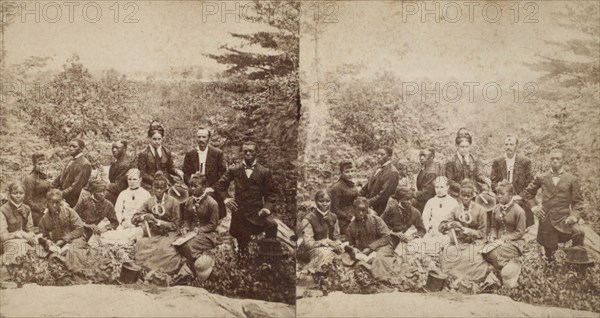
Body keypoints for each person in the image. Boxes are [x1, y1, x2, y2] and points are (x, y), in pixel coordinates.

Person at [518, 149, 585, 262]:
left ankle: (575, 262)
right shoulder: (542, 177)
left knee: (579, 233)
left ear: (563, 160)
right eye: (552, 159)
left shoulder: (572, 179)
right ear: (549, 161)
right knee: (549, 255)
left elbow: (578, 202)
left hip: (564, 219)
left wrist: (574, 216)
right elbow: (527, 193)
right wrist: (534, 207)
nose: (555, 161)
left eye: (558, 158)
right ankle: (549, 261)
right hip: (546, 219)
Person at [215, 141, 278, 255]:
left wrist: (267, 208)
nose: (248, 153)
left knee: (272, 225)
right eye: (245, 151)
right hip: (240, 213)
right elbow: (220, 185)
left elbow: (271, 194)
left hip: (257, 212)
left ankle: (268, 256)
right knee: (243, 245)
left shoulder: (264, 171)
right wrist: (227, 199)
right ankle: (242, 261)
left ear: (256, 153)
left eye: (251, 151)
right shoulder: (235, 169)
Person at [131, 173, 185, 275]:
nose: (159, 191)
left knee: (164, 250)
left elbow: (175, 225)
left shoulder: (173, 202)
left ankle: (161, 273)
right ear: (152, 188)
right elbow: (134, 218)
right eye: (156, 188)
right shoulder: (149, 201)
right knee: (141, 245)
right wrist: (143, 216)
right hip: (154, 234)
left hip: (170, 234)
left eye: (162, 188)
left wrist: (157, 221)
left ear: (166, 188)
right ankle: (145, 271)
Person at [438, 183, 489, 283]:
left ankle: (468, 281)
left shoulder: (481, 210)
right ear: (459, 196)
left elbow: (482, 232)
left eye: (468, 196)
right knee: (448, 253)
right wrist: (451, 224)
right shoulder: (456, 209)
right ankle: (450, 279)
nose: (465, 198)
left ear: (473, 196)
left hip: (476, 240)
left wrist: (467, 230)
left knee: (469, 257)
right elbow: (441, 227)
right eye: (463, 195)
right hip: (460, 241)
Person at [490, 135, 535, 228]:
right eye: (506, 144)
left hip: (519, 194)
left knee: (526, 204)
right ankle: (494, 228)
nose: (508, 147)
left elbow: (531, 183)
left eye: (511, 144)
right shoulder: (497, 161)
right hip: (502, 195)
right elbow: (493, 181)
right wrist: (500, 193)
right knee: (490, 203)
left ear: (516, 146)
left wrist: (520, 195)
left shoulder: (525, 161)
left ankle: (522, 228)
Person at [182, 128, 227, 219]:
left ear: (208, 138)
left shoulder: (217, 153)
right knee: (185, 201)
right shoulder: (190, 154)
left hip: (212, 187)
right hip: (194, 188)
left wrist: (213, 188)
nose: (201, 139)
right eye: (199, 137)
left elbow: (223, 175)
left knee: (212, 202)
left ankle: (213, 221)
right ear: (196, 139)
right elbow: (185, 173)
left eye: (204, 137)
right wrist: (191, 180)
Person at [346, 197, 395, 279]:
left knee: (379, 260)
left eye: (363, 210)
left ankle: (380, 278)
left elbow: (386, 237)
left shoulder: (376, 220)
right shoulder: (351, 226)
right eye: (358, 210)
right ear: (354, 210)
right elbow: (350, 243)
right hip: (364, 252)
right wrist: (353, 249)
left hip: (382, 247)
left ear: (367, 210)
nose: (361, 213)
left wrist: (371, 248)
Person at [178, 174, 221, 264]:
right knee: (176, 243)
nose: (192, 189)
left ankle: (201, 263)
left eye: (195, 186)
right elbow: (187, 219)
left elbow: (213, 225)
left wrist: (200, 229)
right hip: (191, 233)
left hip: (207, 234)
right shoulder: (189, 201)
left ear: (204, 187)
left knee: (188, 246)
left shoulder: (212, 203)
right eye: (191, 186)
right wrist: (186, 227)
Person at [298, 190, 343, 273]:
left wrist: (338, 243)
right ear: (315, 201)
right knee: (325, 253)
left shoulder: (333, 217)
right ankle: (310, 271)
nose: (325, 204)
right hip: (312, 249)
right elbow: (308, 243)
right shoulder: (308, 219)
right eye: (321, 201)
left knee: (345, 252)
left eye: (327, 201)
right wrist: (325, 243)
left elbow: (336, 236)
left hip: (330, 246)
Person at [485, 181, 525, 270]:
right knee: (484, 252)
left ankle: (506, 271)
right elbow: (494, 227)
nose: (499, 196)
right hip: (499, 241)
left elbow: (520, 232)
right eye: (498, 193)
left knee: (494, 253)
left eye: (502, 194)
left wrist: (508, 237)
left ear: (510, 195)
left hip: (515, 242)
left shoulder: (519, 211)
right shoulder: (495, 209)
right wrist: (493, 236)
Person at [380, 187, 426, 255]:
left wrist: (412, 236)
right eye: (406, 199)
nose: (409, 202)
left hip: (407, 242)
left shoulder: (416, 213)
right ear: (400, 199)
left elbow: (422, 230)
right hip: (391, 240)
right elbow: (380, 224)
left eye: (411, 199)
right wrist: (394, 233)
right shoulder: (391, 209)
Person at [0, 182, 37, 264]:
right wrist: (19, 234)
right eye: (15, 193)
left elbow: (30, 229)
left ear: (24, 194)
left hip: (25, 241)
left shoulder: (27, 209)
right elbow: (2, 236)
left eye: (21, 193)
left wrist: (31, 236)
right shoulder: (3, 210)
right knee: (20, 249)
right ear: (9, 194)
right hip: (8, 242)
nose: (18, 196)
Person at [445, 129, 490, 194]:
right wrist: (462, 189)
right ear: (457, 146)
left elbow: (477, 175)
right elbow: (450, 181)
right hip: (456, 192)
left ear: (470, 146)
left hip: (472, 191)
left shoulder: (473, 159)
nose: (465, 149)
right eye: (462, 147)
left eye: (467, 147)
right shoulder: (451, 161)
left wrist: (484, 179)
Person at [137, 121, 180, 189]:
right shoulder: (143, 154)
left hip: (166, 183)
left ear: (162, 139)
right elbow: (142, 173)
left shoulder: (166, 152)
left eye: (159, 139)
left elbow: (170, 168)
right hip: (149, 184)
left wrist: (176, 171)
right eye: (154, 139)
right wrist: (155, 181)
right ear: (149, 138)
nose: (157, 142)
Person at [52, 139, 92, 208]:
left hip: (73, 201)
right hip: (63, 195)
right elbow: (61, 177)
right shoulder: (71, 160)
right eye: (70, 146)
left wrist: (61, 194)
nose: (71, 148)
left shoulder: (85, 164)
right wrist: (51, 187)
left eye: (74, 146)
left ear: (81, 148)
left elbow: (76, 186)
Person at [359, 147, 400, 215]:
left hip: (380, 209)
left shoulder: (392, 172)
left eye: (382, 154)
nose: (378, 156)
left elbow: (384, 195)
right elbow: (367, 185)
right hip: (370, 203)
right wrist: (358, 195)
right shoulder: (378, 168)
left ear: (389, 156)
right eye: (377, 154)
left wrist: (368, 202)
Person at [328, 160, 359, 236]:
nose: (350, 174)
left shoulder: (351, 184)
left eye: (352, 171)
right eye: (347, 172)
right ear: (341, 173)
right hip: (343, 221)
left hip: (354, 216)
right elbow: (334, 209)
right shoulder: (337, 187)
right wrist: (349, 217)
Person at [23, 153, 52, 227]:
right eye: (40, 164)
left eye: (44, 163)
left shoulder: (44, 177)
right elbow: (27, 200)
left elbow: (48, 195)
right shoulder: (29, 179)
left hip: (46, 207)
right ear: (34, 165)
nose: (43, 166)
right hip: (35, 211)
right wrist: (42, 210)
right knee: (49, 225)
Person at [106, 140, 134, 205]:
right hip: (115, 193)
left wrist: (103, 185)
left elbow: (119, 187)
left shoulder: (126, 164)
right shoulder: (117, 162)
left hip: (123, 195)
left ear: (124, 149)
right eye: (113, 148)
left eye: (117, 148)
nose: (114, 150)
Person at [413, 147, 437, 213]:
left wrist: (412, 193)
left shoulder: (432, 172)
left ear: (432, 157)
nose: (421, 158)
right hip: (423, 201)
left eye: (424, 155)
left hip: (428, 204)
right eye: (421, 155)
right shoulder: (426, 167)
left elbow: (426, 194)